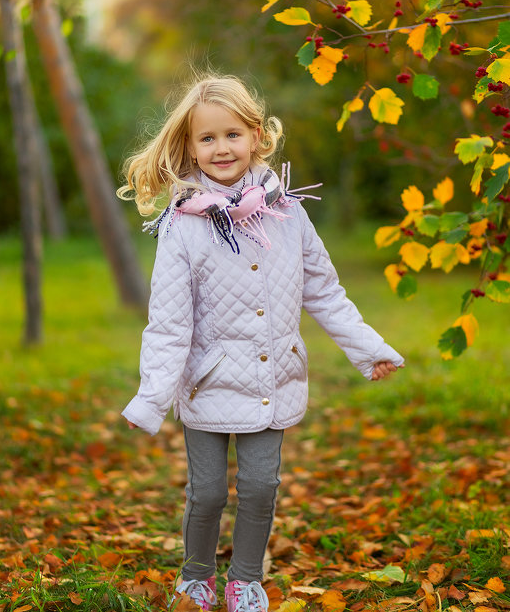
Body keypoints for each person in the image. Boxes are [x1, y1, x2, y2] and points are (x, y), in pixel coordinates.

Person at [119, 73, 405, 612]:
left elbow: (324, 290)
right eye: (207, 138)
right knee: (206, 493)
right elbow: (169, 323)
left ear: (256, 136)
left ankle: (245, 578)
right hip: (206, 384)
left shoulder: (290, 212)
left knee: (258, 487)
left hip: (273, 379)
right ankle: (196, 575)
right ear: (189, 148)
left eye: (232, 134)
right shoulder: (182, 227)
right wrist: (152, 396)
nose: (221, 147)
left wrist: (369, 348)